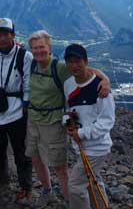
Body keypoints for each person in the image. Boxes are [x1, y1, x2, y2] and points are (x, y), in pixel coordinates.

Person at [26, 30, 111, 207]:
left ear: (49, 48)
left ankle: (71, 202)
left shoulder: (60, 68)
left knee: (72, 180)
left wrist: (105, 79)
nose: (38, 51)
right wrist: (68, 121)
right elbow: (69, 105)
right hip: (36, 120)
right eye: (35, 48)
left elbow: (85, 71)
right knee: (92, 179)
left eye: (42, 47)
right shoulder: (32, 64)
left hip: (85, 140)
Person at [0, 18, 33, 204]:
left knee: (21, 152)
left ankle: (25, 187)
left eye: (6, 34)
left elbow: (27, 84)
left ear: (12, 34)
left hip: (15, 111)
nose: (2, 38)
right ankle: (1, 181)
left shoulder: (24, 56)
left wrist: (25, 106)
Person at [62, 44, 115, 209]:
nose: (74, 65)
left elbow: (107, 121)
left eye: (78, 61)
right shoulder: (69, 84)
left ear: (86, 61)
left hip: (96, 147)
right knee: (93, 180)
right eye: (70, 61)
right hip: (82, 147)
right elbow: (68, 110)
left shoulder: (100, 87)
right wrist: (67, 122)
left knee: (75, 186)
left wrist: (82, 133)